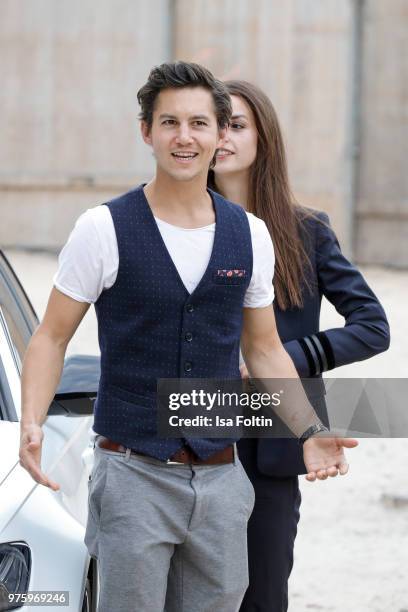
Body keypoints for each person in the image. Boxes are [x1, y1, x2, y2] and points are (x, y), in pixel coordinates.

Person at [19, 62, 357, 612]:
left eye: (199, 123)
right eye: (169, 122)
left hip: (223, 479)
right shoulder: (101, 229)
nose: (184, 137)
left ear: (220, 133)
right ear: (146, 131)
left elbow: (265, 348)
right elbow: (52, 337)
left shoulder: (250, 234)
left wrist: (309, 430)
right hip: (131, 473)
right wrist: (32, 420)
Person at [210, 79, 390, 612]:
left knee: (264, 592)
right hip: (192, 426)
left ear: (264, 138)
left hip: (275, 433)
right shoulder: (175, 228)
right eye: (212, 124)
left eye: (236, 125)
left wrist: (288, 356)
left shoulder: (306, 229)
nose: (222, 137)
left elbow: (372, 325)